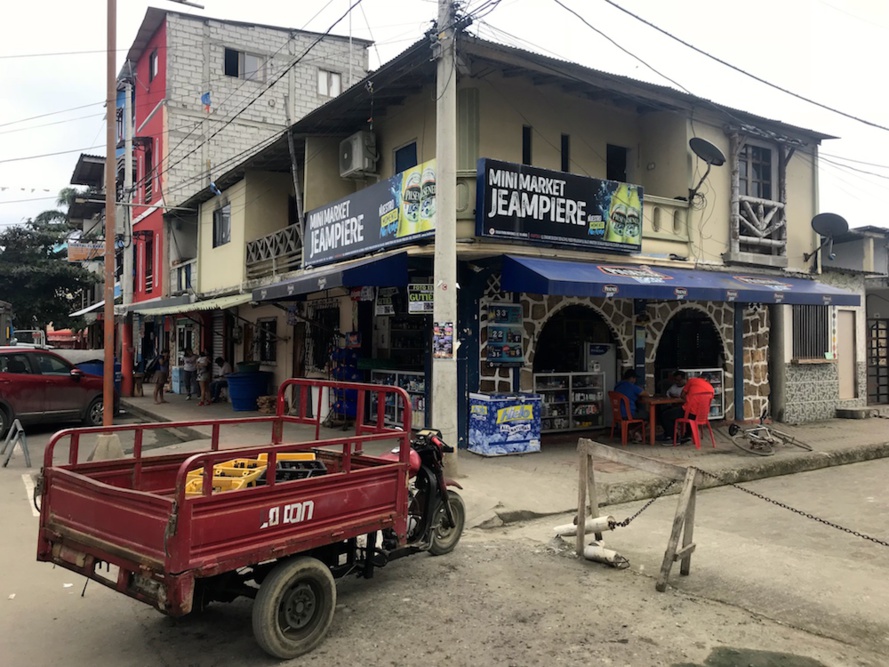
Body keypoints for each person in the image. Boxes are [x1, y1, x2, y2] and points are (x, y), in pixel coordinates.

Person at [659, 374, 715, 445]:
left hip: (689, 412)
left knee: (666, 415)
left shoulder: (692, 381)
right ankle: (688, 435)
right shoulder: (711, 388)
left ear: (700, 377)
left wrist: (689, 398)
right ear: (708, 380)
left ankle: (674, 438)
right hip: (701, 415)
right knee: (688, 413)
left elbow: (682, 395)